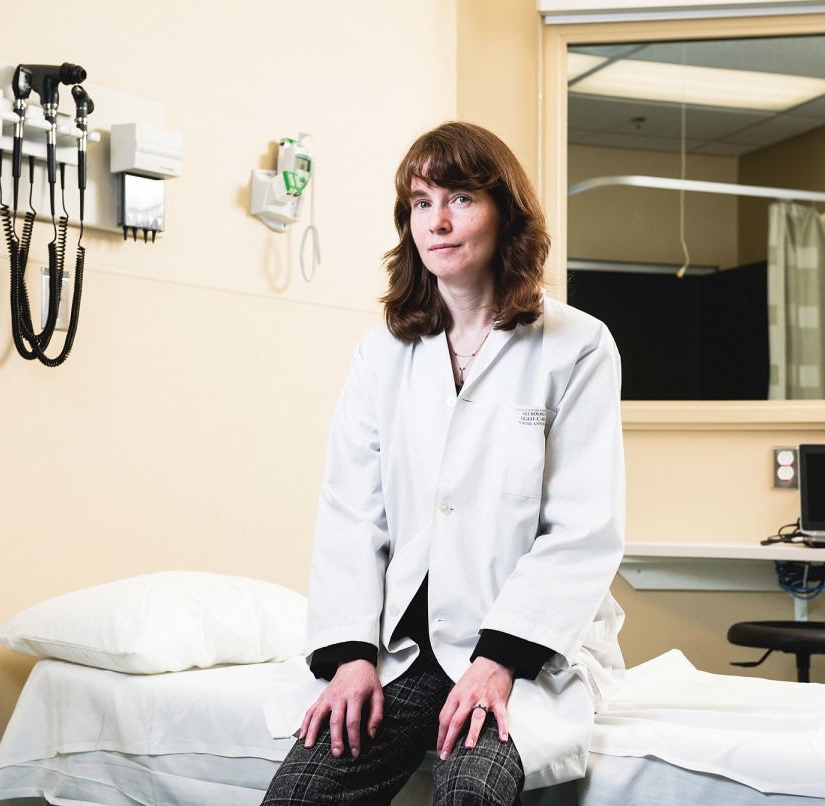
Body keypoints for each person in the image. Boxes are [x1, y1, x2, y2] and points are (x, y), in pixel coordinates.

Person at [262, 122, 626, 806]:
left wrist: (499, 662)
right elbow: (351, 514)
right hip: (406, 646)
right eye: (421, 202)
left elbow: (583, 526)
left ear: (504, 213)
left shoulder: (576, 346)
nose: (438, 220)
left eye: (460, 198)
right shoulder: (382, 355)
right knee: (300, 794)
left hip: (519, 648)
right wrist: (350, 658)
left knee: (471, 789)